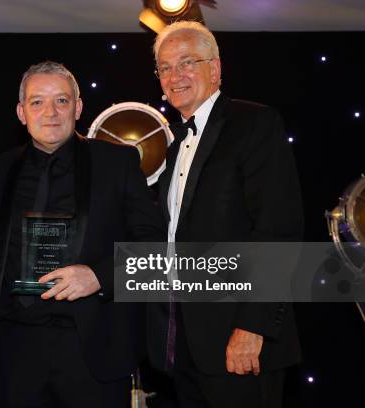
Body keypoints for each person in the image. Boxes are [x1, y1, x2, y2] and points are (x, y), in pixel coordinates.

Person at [0, 61, 164, 407]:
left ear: (77, 108)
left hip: (92, 348)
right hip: (13, 351)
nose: (50, 112)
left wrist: (99, 276)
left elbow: (155, 247)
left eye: (61, 101)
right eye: (37, 102)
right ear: (21, 112)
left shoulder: (118, 163)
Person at [147, 21, 303, 408]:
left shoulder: (254, 124)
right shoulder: (174, 147)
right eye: (165, 67)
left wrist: (252, 326)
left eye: (186, 63)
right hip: (184, 346)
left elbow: (278, 231)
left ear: (215, 69)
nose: (174, 76)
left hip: (241, 343)